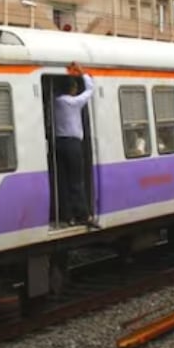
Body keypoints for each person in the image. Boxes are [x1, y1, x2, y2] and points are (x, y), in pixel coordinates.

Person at [54, 62, 99, 229]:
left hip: (58, 143)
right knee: (76, 181)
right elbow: (90, 90)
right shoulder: (73, 103)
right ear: (72, 89)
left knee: (63, 181)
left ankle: (68, 216)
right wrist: (83, 73)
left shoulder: (56, 102)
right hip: (72, 145)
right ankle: (84, 215)